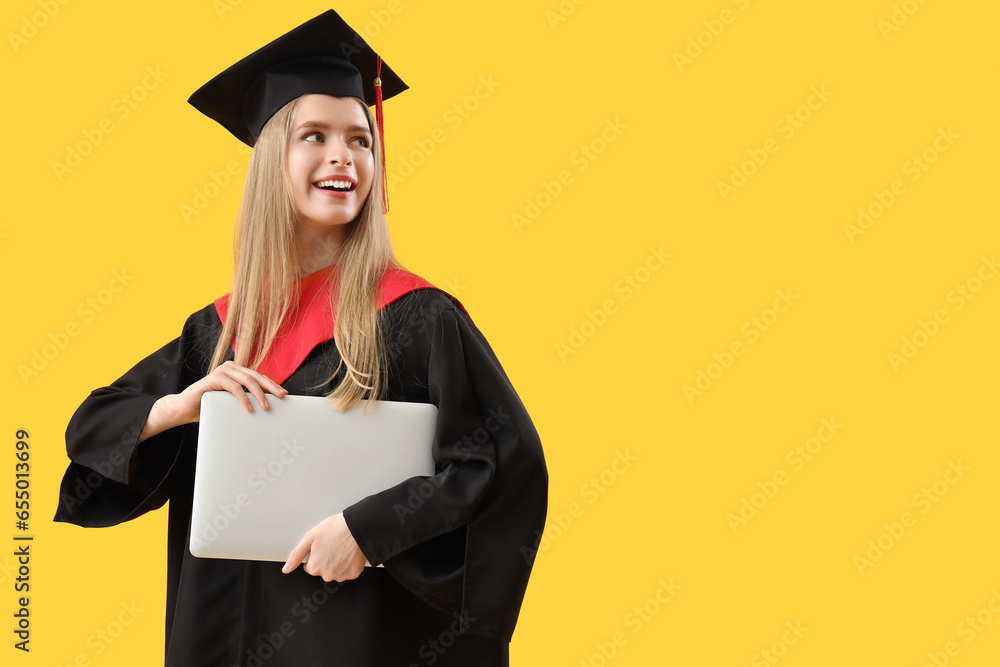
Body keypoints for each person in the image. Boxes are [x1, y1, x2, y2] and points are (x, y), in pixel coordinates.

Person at [53, 9, 548, 667]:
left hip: (361, 639)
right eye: (314, 135)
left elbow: (501, 465)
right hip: (224, 632)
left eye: (360, 139)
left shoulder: (417, 317)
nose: (343, 155)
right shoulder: (221, 330)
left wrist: (367, 530)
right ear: (270, 160)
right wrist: (179, 406)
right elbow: (91, 426)